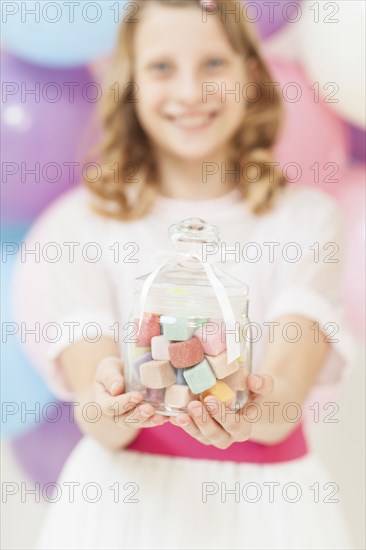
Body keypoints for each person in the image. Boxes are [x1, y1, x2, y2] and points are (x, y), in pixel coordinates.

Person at [14, 1, 355, 548]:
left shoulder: (307, 218)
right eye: (162, 67)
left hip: (269, 506)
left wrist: (247, 405)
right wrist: (111, 399)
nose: (191, 92)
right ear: (130, 83)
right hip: (122, 505)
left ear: (250, 72)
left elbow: (283, 402)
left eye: (214, 64)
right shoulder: (79, 225)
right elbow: (99, 414)